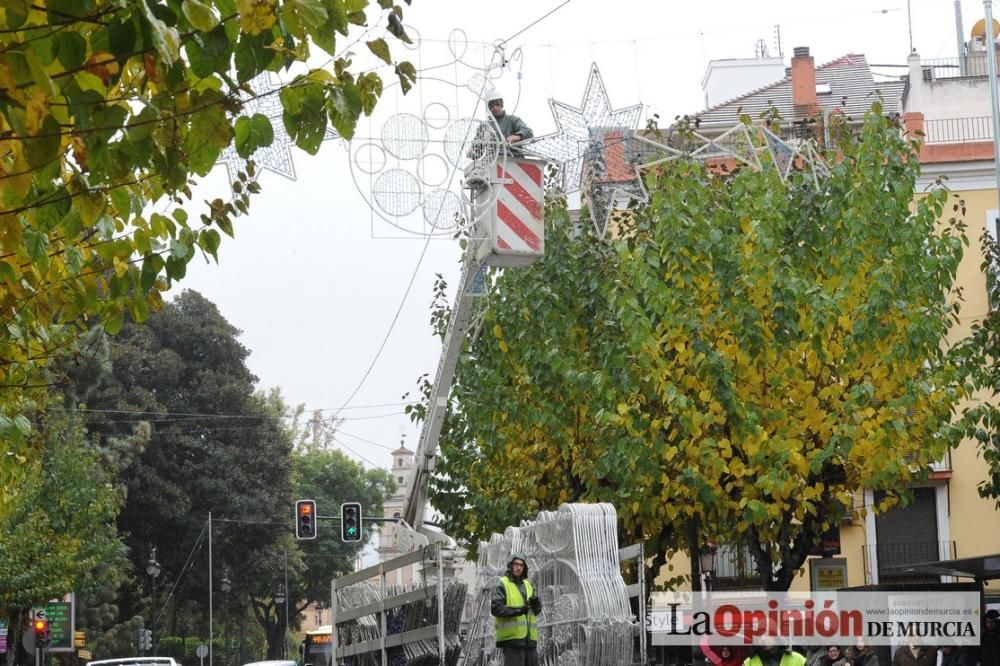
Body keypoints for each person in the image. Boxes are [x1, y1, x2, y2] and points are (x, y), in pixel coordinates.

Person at [491, 553, 542, 666]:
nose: (518, 568)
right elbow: (496, 609)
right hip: (513, 640)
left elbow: (535, 612)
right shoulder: (503, 584)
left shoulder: (528, 585)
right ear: (510, 566)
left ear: (524, 568)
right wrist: (519, 610)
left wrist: (537, 606)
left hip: (530, 640)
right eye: (516, 564)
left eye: (521, 565)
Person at [484, 90, 533, 156]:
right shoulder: (485, 126)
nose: (495, 108)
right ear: (488, 108)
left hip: (514, 159)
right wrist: (473, 149)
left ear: (502, 105)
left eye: (497, 104)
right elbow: (477, 142)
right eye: (491, 105)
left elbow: (529, 132)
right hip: (493, 161)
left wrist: (517, 136)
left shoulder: (513, 120)